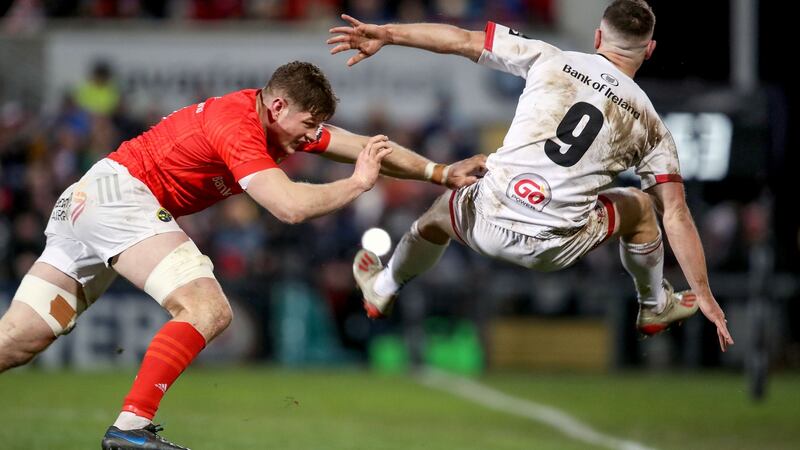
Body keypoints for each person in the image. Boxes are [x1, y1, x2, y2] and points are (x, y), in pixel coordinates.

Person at [0, 61, 487, 449]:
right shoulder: (238, 127)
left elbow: (365, 146)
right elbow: (290, 207)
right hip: (120, 199)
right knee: (207, 308)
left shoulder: (275, 121)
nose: (309, 137)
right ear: (277, 105)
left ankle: (130, 426)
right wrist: (358, 184)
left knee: (19, 340)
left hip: (91, 199)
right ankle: (131, 426)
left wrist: (441, 174)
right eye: (308, 125)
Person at [329, 0, 734, 352]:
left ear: (597, 38)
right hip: (555, 248)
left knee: (438, 214)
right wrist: (703, 293)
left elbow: (460, 39)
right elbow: (677, 215)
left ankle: (382, 289)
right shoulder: (650, 124)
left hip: (489, 218)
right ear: (650, 51)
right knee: (643, 206)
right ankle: (652, 304)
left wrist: (388, 33)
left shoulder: (550, 57)